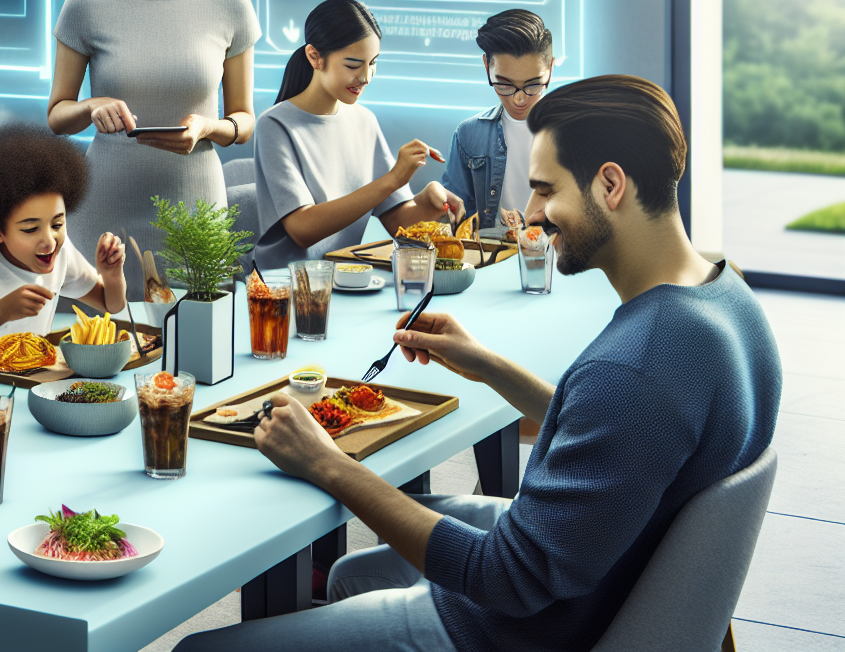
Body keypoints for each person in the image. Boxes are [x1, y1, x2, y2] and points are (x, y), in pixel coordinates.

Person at [176, 75, 780, 652]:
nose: (535, 212)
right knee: (351, 573)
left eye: (546, 189)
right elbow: (630, 440)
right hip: (594, 583)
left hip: (511, 633)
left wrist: (327, 464)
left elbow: (506, 579)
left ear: (610, 185)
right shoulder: (725, 299)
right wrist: (486, 363)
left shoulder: (636, 368)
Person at [49, 0, 259, 298]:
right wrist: (91, 106)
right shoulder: (88, 1)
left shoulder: (230, 2)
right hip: (104, 212)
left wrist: (208, 127)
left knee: (199, 351)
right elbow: (57, 115)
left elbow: (245, 119)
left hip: (196, 210)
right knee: (99, 352)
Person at [252, 0, 463, 269]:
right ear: (315, 57)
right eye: (353, 65)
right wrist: (393, 178)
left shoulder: (364, 121)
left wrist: (429, 199)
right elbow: (302, 230)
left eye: (373, 63)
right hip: (281, 286)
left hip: (343, 280)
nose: (366, 77)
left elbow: (396, 221)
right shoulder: (274, 125)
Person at [0, 124, 127, 353]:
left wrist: (111, 275)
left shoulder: (61, 253)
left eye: (57, 224)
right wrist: (0, 313)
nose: (50, 240)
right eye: (31, 229)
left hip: (34, 375)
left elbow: (111, 305)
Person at [442, 9, 554, 230]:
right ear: (487, 66)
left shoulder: (572, 134)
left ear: (550, 68)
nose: (519, 98)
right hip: (489, 259)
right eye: (504, 84)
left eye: (533, 84)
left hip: (552, 259)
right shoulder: (469, 135)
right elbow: (457, 218)